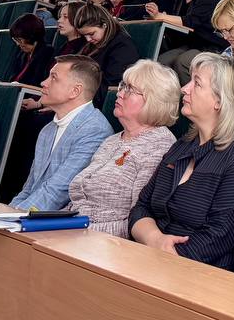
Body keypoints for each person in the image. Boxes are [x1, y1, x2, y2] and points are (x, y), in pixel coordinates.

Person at [129, 53, 234, 270]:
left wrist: (162, 258)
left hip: (200, 274)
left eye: (197, 83)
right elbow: (141, 207)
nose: (184, 89)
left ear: (219, 101)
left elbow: (218, 237)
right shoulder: (182, 145)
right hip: (151, 259)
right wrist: (155, 239)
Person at [67, 60, 180, 237]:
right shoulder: (111, 141)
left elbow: (138, 219)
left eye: (129, 89)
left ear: (154, 100)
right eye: (122, 86)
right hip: (73, 229)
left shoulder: (160, 145)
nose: (119, 93)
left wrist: (77, 231)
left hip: (102, 242)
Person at [10, 55, 112, 212]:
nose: (43, 83)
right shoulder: (47, 130)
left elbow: (58, 192)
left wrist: (13, 217)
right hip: (30, 215)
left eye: (53, 78)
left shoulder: (94, 130)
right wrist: (5, 212)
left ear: (75, 91)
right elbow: (29, 189)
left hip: (56, 222)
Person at [153, 0, 224, 81]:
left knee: (183, 62)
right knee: (160, 62)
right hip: (189, 44)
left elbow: (193, 21)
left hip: (210, 44)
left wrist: (161, 16)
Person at [73, 2, 140, 104]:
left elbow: (110, 87)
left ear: (104, 25)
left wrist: (73, 101)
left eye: (91, 34)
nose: (88, 39)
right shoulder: (94, 43)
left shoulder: (122, 47)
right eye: (84, 36)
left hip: (94, 102)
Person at [10, 13, 56, 88]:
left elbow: (38, 82)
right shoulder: (22, 54)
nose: (18, 44)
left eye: (20, 40)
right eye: (16, 40)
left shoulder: (46, 52)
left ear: (30, 36)